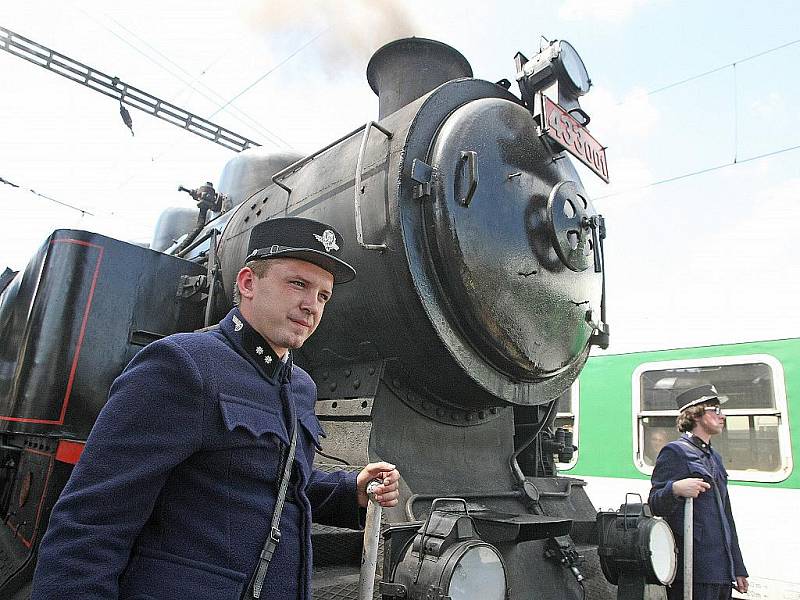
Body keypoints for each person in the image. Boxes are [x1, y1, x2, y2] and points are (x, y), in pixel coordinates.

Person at [31, 217, 400, 600]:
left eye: (324, 295)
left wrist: (348, 489)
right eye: (298, 284)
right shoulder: (183, 364)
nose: (311, 306)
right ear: (247, 283)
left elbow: (273, 479)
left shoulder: (299, 385)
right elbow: (91, 522)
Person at [648, 384, 748, 600]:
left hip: (721, 568)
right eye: (716, 410)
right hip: (694, 568)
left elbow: (726, 516)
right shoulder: (675, 452)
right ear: (697, 414)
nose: (723, 416)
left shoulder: (715, 458)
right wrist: (674, 489)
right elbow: (655, 503)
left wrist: (738, 567)